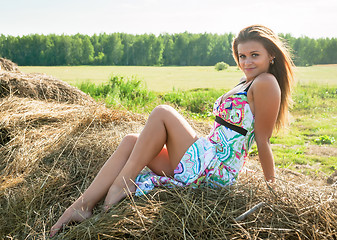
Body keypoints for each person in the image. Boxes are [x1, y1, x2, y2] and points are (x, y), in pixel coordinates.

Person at [49, 25, 294, 237]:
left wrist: (271, 190)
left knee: (162, 112)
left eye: (254, 55)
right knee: (130, 141)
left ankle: (121, 186)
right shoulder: (248, 81)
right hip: (206, 156)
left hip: (214, 168)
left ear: (271, 55)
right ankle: (83, 205)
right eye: (242, 56)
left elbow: (263, 140)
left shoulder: (266, 83)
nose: (246, 62)